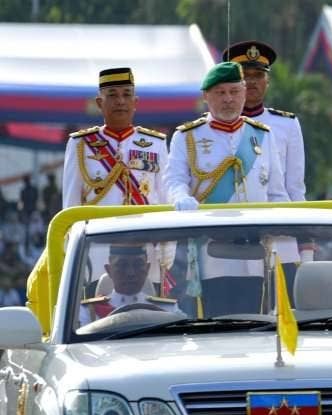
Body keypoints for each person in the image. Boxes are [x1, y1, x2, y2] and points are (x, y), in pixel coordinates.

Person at [165, 62, 290, 314]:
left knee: (255, 325)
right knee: (214, 326)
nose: (228, 99)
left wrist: (288, 253)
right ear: (206, 97)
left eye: (234, 91)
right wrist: (181, 196)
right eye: (220, 93)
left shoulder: (262, 136)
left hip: (256, 254)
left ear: (244, 93)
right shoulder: (187, 136)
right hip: (210, 256)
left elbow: (277, 193)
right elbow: (173, 180)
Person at [62, 67, 167, 208]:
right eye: (112, 95)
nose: (120, 101)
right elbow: (71, 202)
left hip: (142, 227)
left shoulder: (155, 143)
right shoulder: (81, 144)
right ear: (99, 103)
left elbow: (165, 198)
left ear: (135, 102)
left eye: (126, 94)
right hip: (99, 228)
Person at [222, 40, 306, 201]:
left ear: (267, 82)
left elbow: (295, 188)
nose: (252, 81)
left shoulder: (287, 124)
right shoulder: (212, 125)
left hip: (270, 217)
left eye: (259, 75)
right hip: (225, 217)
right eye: (245, 74)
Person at [78, 244, 180, 326]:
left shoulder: (168, 309)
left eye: (138, 265)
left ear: (147, 269)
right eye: (122, 265)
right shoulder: (89, 312)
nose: (130, 273)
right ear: (109, 270)